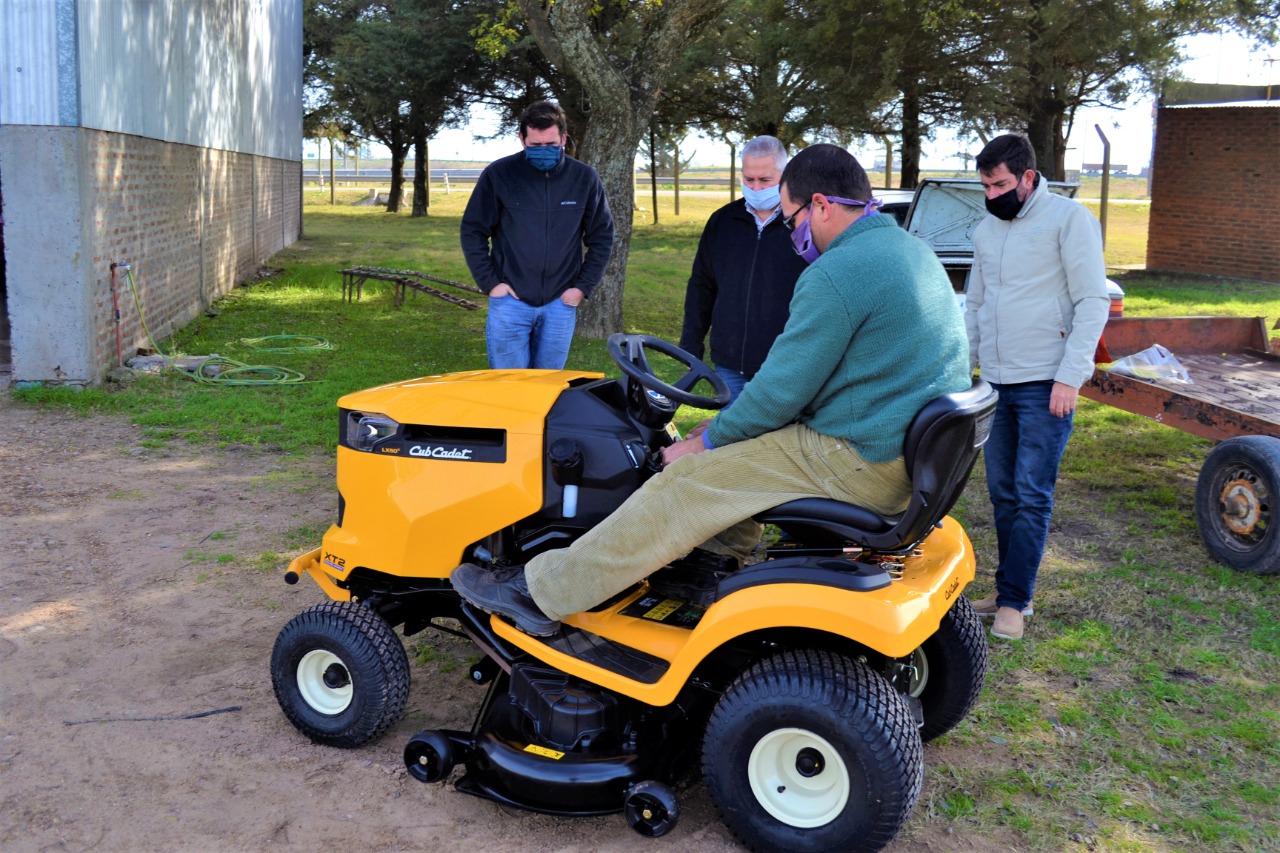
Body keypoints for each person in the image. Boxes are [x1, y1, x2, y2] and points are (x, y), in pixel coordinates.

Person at [451, 144, 971, 637]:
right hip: (899, 452)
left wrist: (698, 445)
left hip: (860, 457)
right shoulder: (909, 250)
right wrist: (724, 432)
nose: (794, 233)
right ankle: (708, 566)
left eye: (792, 220)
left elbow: (780, 391)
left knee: (685, 480)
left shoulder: (840, 272)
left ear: (821, 205)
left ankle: (542, 592)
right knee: (736, 447)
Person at [965, 133, 1110, 641]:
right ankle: (1009, 590)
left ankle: (1015, 602)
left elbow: (1093, 301)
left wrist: (1071, 375)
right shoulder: (986, 230)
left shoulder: (1070, 221)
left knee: (1031, 493)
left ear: (1028, 177)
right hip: (997, 383)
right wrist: (968, 366)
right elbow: (976, 304)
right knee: (1002, 492)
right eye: (985, 186)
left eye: (1000, 184)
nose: (992, 194)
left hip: (1047, 382)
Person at [460, 100, 615, 370]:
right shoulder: (499, 175)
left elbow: (602, 237)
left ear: (564, 138)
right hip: (510, 302)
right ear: (522, 139)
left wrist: (581, 288)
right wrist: (491, 284)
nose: (544, 151)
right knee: (509, 386)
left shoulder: (584, 178)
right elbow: (473, 230)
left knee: (548, 390)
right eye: (535, 146)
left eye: (551, 145)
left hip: (560, 304)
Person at [678, 136, 809, 402]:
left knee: (770, 442)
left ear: (785, 176)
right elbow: (702, 285)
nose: (756, 187)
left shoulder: (805, 224)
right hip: (728, 361)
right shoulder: (723, 221)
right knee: (727, 438)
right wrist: (690, 345)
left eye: (765, 180)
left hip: (783, 365)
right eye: (749, 180)